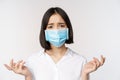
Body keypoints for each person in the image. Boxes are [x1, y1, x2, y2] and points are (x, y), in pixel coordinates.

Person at [4, 7, 105, 80]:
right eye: (51, 26)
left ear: (67, 29)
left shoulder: (80, 61)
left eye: (61, 25)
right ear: (44, 31)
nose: (56, 30)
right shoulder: (33, 61)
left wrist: (85, 74)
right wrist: (28, 76)